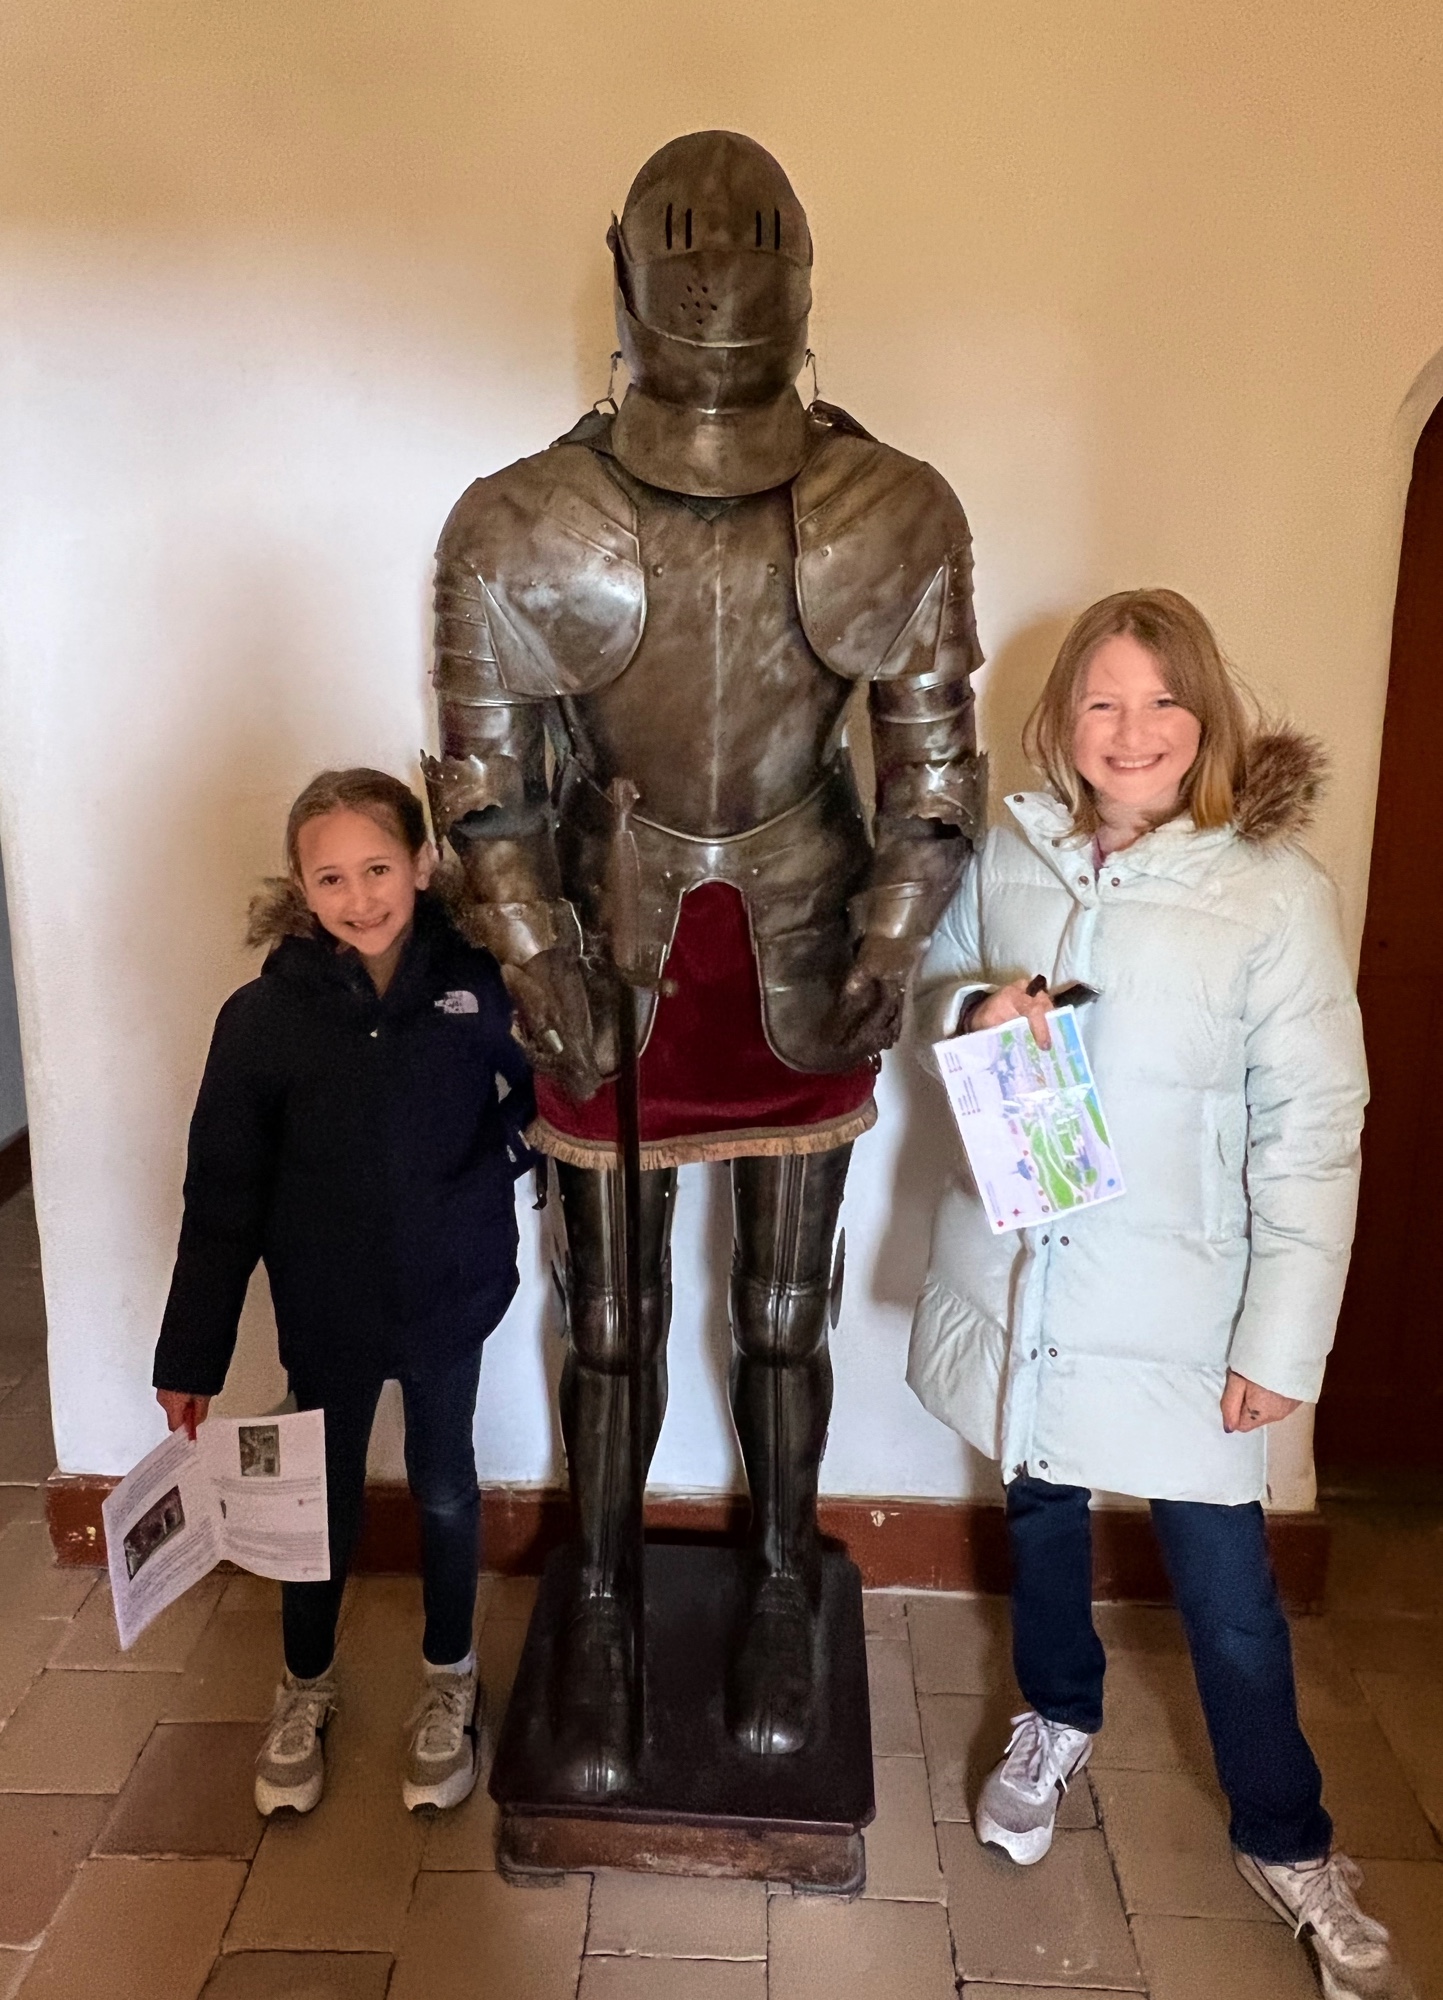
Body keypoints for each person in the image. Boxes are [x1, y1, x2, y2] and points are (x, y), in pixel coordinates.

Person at [908, 591, 1411, 2000]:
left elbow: (1312, 1128)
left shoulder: (1270, 891)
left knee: (1228, 1590)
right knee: (1041, 1511)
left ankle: (1286, 1835)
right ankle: (1055, 1714)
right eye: (1102, 702)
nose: (1131, 732)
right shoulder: (1008, 857)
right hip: (1034, 1277)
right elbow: (927, 983)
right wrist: (973, 1012)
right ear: (1061, 720)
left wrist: (1280, 1343)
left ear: (1206, 717)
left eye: (1161, 701)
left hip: (1186, 1303)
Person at [152, 768, 536, 1817]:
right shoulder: (261, 1019)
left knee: (445, 1485)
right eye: (332, 877)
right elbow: (221, 1197)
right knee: (313, 1498)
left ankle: (450, 1680)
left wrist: (493, 1160)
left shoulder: (479, 986)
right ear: (299, 885)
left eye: (378, 868)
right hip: (327, 1310)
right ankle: (304, 1685)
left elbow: (548, 1085)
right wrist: (189, 1356)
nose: (360, 897)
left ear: (422, 864)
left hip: (452, 1295)